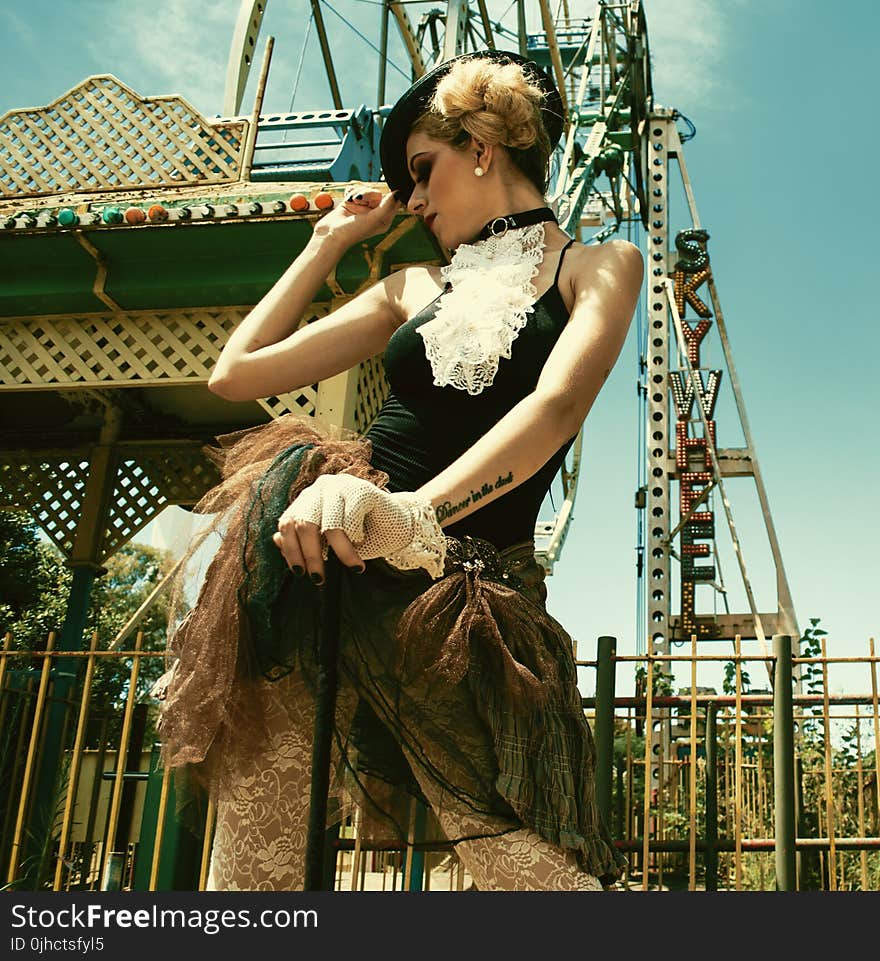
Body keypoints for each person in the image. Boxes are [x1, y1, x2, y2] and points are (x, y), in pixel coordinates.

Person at [155, 49, 643, 892]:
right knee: (252, 861)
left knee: (535, 870)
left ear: (485, 143)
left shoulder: (598, 266)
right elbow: (234, 372)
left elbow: (556, 409)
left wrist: (413, 513)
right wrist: (330, 240)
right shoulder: (409, 284)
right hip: (322, 561)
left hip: (468, 591)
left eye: (425, 168)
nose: (415, 200)